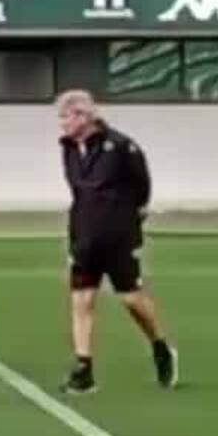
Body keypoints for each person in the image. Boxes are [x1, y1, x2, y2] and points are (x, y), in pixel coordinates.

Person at [55, 89, 177, 393]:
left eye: (65, 117)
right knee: (82, 299)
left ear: (84, 116)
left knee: (130, 299)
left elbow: (141, 188)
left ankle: (160, 346)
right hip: (84, 234)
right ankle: (84, 368)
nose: (62, 124)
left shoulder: (121, 147)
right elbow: (79, 192)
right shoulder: (68, 148)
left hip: (118, 235)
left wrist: (129, 222)